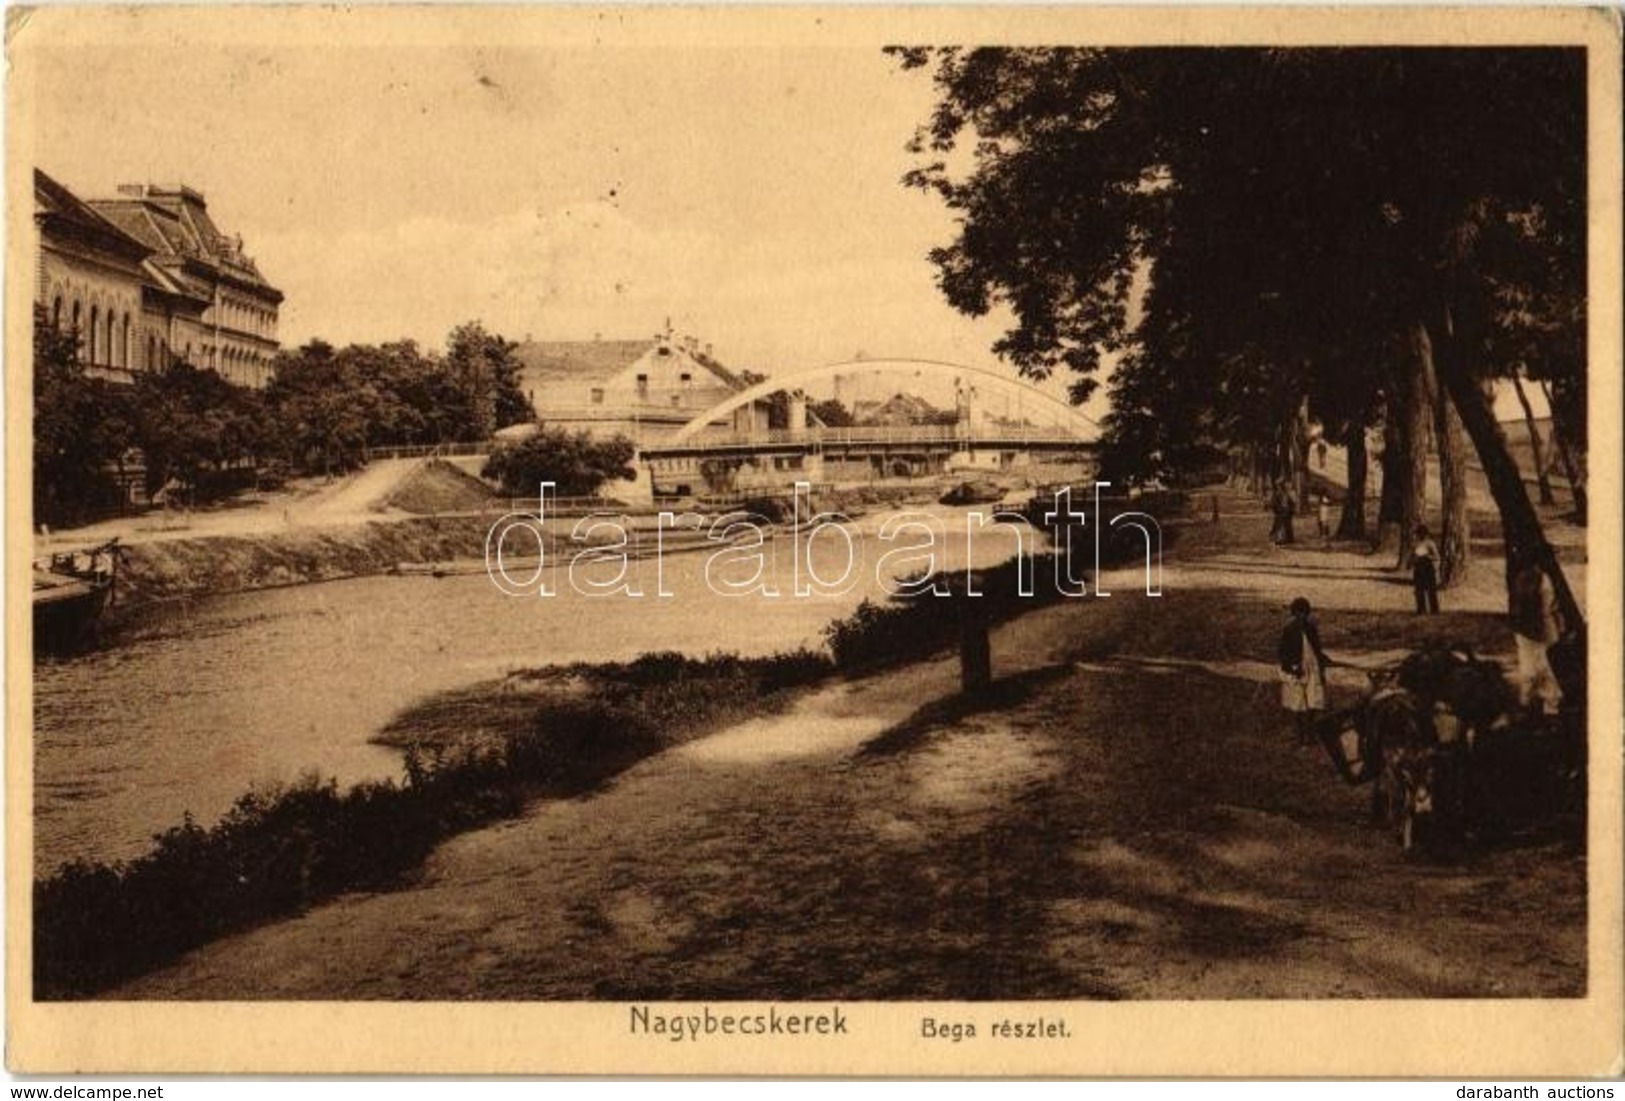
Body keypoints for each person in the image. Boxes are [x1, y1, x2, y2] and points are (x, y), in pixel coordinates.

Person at [1509, 558, 1564, 716]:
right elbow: (1551, 606)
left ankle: (1527, 703)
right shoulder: (1544, 578)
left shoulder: (1521, 577)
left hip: (1527, 630)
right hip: (1543, 630)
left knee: (1530, 670)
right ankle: (1549, 707)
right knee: (1546, 670)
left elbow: (1518, 609)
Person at [1279, 596, 1332, 744]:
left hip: (1312, 668)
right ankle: (1299, 737)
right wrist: (1291, 668)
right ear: (1294, 613)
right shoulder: (1289, 629)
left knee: (1314, 702)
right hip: (1296, 670)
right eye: (1299, 613)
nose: (1303, 616)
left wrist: (1323, 662)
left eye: (1305, 613)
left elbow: (1316, 649)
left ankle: (1309, 735)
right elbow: (1283, 653)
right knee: (1297, 705)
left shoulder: (1310, 628)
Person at [1411, 524, 1441, 615]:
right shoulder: (1415, 544)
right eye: (1418, 534)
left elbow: (1436, 556)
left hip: (1428, 568)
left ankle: (1434, 609)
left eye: (1421, 534)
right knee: (1419, 589)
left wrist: (1427, 556)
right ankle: (1421, 609)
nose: (1420, 536)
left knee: (1431, 589)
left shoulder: (1430, 543)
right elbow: (1412, 555)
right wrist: (1414, 559)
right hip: (1418, 568)